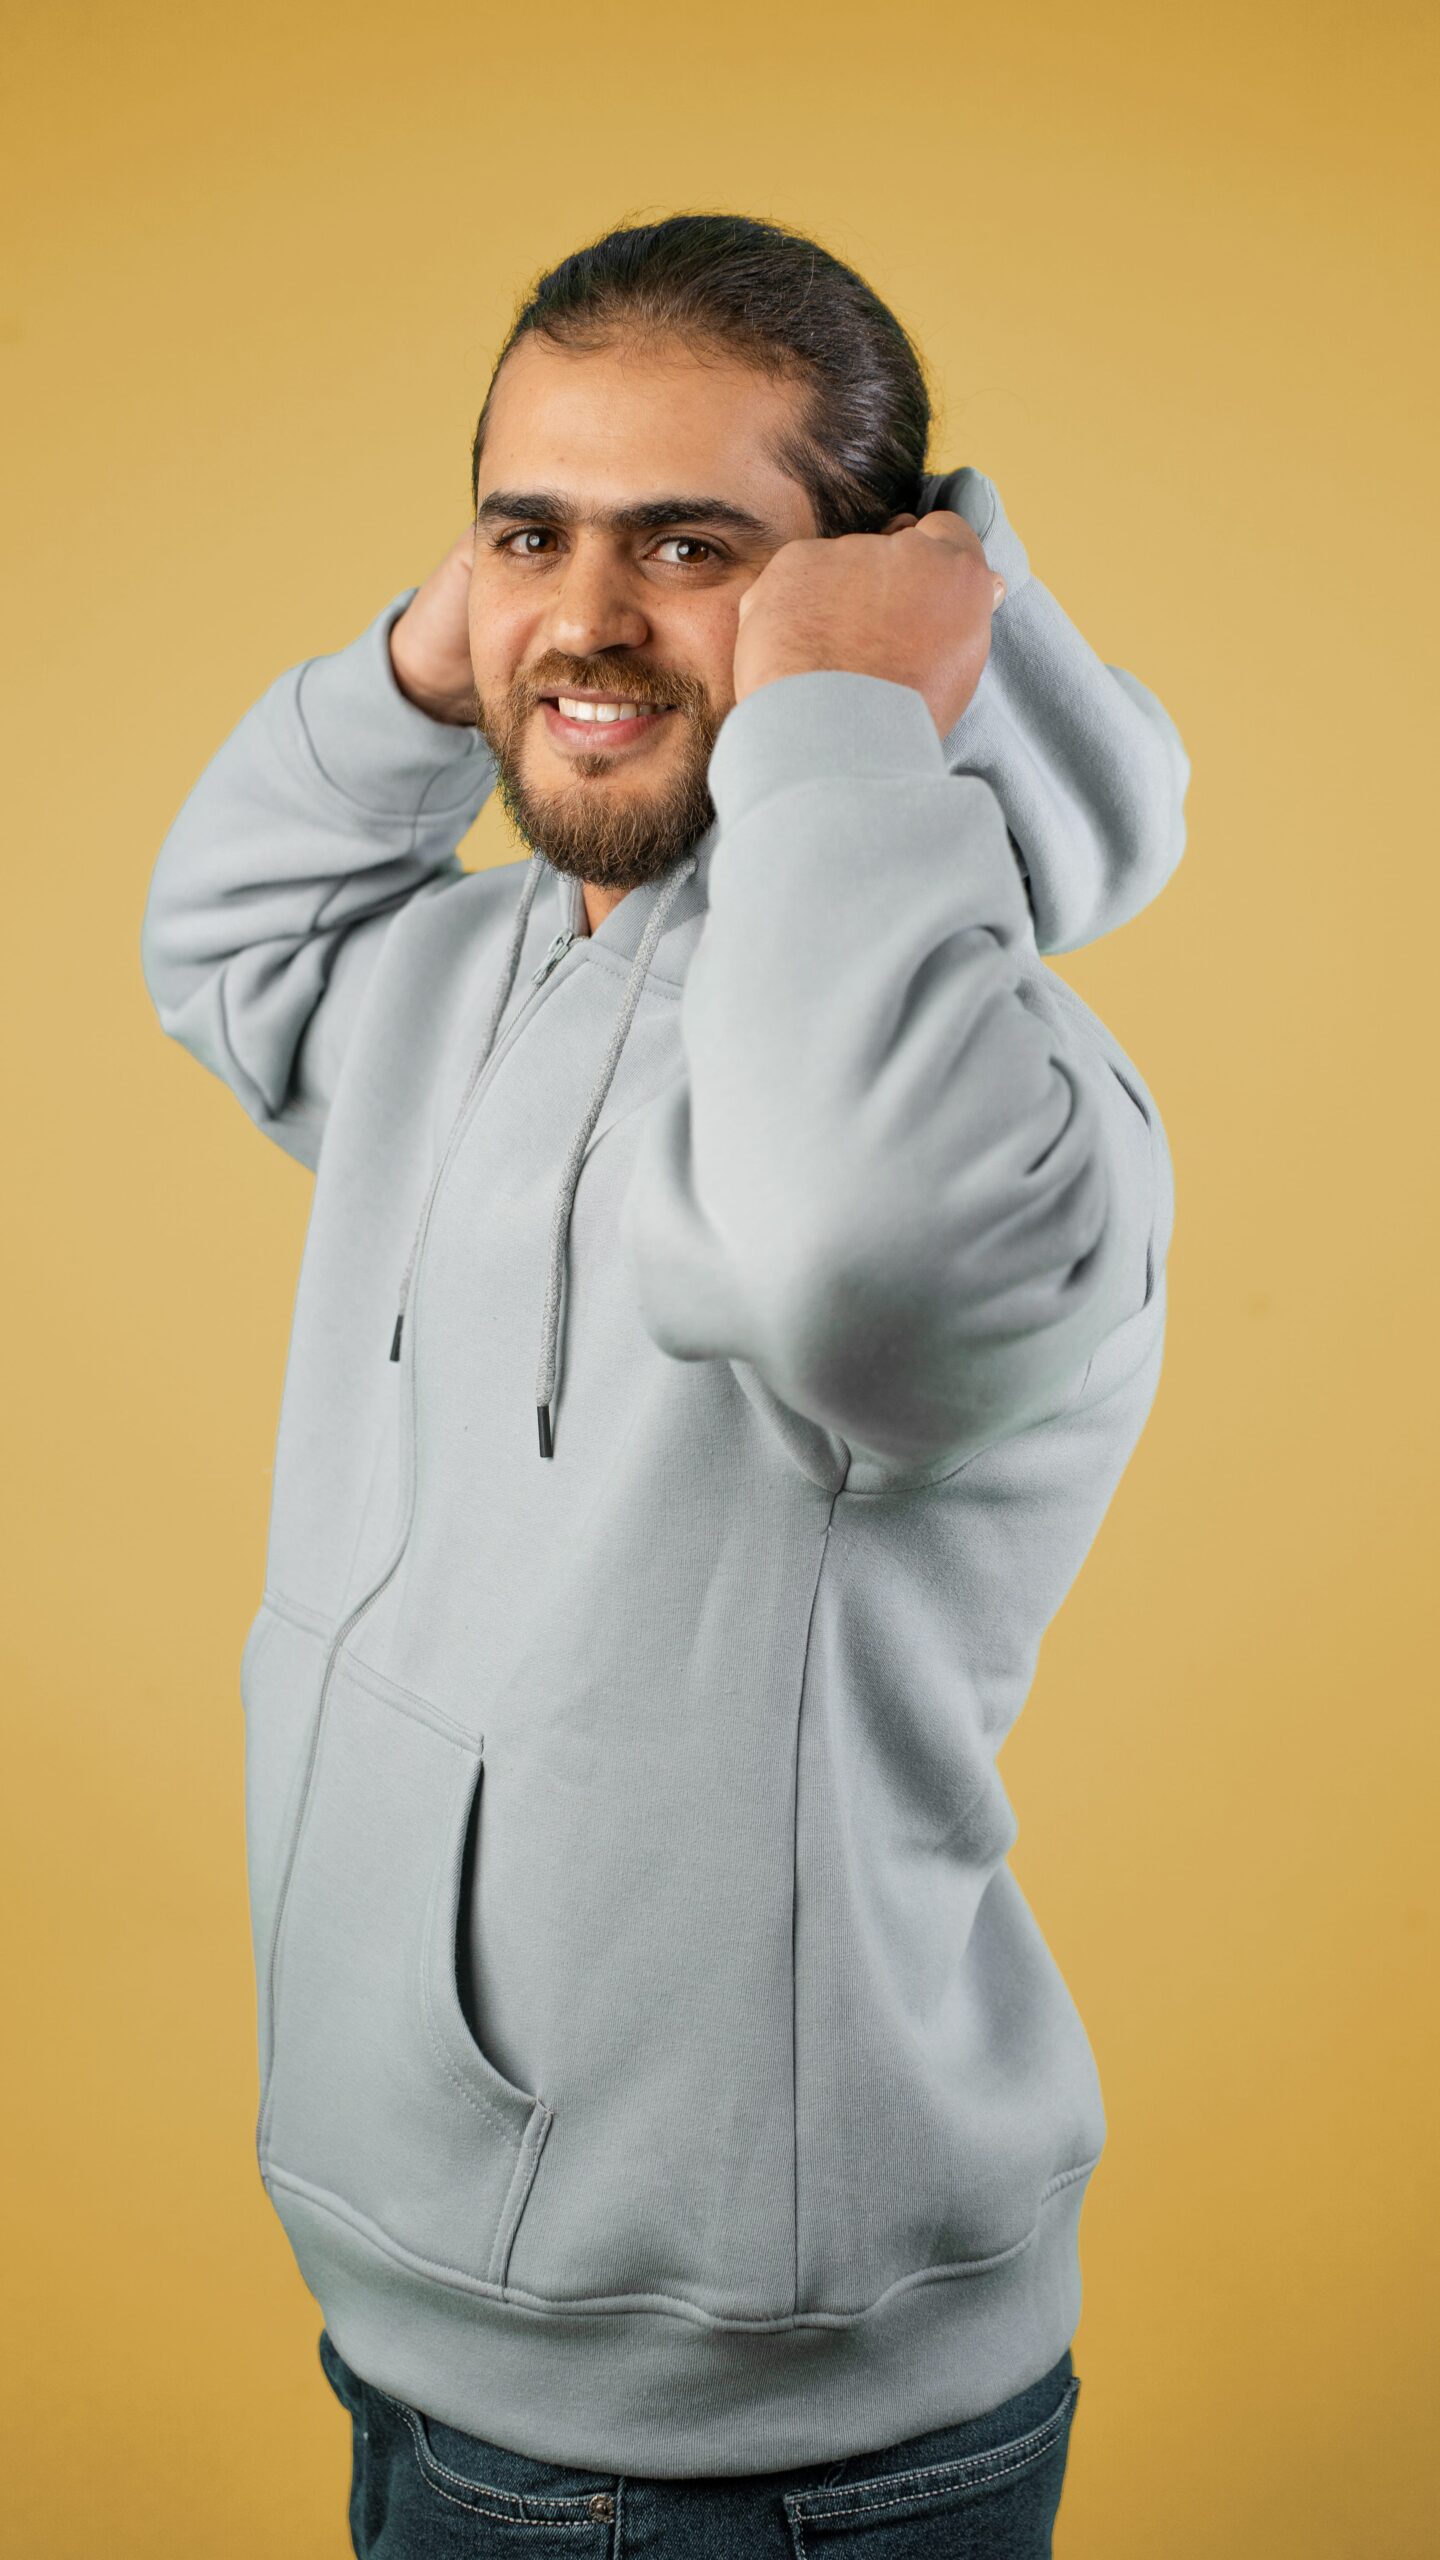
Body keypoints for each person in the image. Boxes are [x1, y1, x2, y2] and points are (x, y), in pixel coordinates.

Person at [141, 211, 1188, 2555]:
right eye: (530, 532)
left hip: (753, 2440)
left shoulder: (991, 1106)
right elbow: (224, 941)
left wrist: (845, 729)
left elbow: (850, 1261)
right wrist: (444, 650)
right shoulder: (475, 975)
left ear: (872, 612)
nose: (589, 617)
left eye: (691, 547)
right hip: (426, 2324)